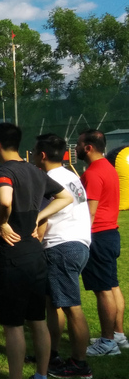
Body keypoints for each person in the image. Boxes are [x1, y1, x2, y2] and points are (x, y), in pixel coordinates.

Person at [0, 123, 72, 379]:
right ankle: (42, 375)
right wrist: (38, 216)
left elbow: (5, 199)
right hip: (36, 255)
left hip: (12, 256)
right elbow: (66, 197)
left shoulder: (4, 170)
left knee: (13, 325)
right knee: (37, 320)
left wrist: (3, 223)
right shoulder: (35, 171)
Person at [32, 134, 92, 378]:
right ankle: (51, 353)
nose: (33, 155)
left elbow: (43, 219)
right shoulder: (70, 175)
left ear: (42, 155)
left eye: (35, 151)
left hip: (61, 246)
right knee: (54, 302)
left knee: (70, 306)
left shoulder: (48, 179)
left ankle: (79, 363)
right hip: (77, 243)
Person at [77, 129, 127, 356]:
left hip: (97, 235)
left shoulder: (94, 172)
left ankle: (108, 343)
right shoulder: (108, 167)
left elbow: (90, 212)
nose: (75, 148)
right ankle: (118, 335)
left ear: (88, 147)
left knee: (103, 290)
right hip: (110, 233)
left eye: (78, 144)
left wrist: (81, 238)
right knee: (112, 286)